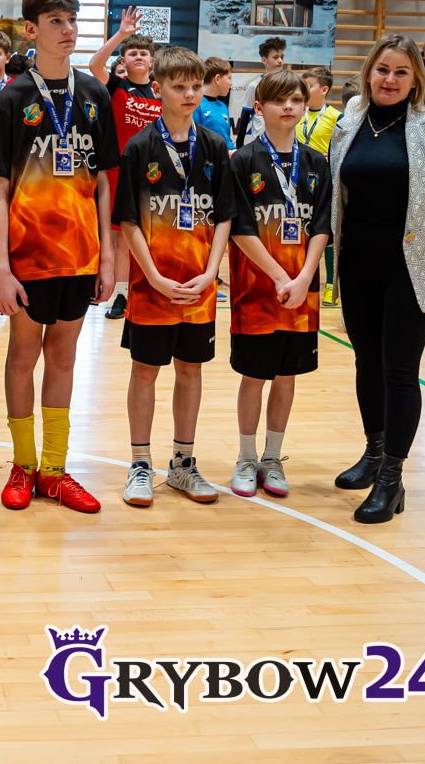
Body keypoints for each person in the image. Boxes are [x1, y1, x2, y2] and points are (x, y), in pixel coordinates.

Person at [328, 34, 425, 523]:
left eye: (401, 72)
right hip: (356, 262)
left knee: (398, 370)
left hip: (409, 268)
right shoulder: (350, 120)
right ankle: (374, 454)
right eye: (382, 69)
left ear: (416, 81)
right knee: (366, 362)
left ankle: (392, 478)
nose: (389, 79)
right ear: (369, 72)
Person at [0, 0, 116, 514]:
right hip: (28, 256)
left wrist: (107, 256)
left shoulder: (95, 94)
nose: (68, 30)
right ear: (30, 30)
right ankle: (23, 464)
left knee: (63, 356)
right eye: (56, 21)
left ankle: (55, 472)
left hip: (80, 255)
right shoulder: (14, 97)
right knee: (23, 354)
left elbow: (103, 183)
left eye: (72, 20)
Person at [113, 45, 234, 508]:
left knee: (191, 369)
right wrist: (154, 278)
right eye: (179, 86)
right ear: (158, 87)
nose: (189, 94)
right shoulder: (140, 147)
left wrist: (211, 273)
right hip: (152, 288)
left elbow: (224, 217)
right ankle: (140, 464)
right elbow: (129, 222)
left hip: (199, 286)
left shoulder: (215, 146)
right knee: (145, 371)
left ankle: (182, 464)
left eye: (195, 86)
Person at [225, 69, 331, 499]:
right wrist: (280, 277)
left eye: (296, 100)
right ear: (259, 107)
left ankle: (272, 458)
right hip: (257, 291)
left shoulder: (317, 163)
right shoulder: (242, 161)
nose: (289, 106)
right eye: (279, 100)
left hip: (301, 292)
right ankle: (246, 458)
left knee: (287, 376)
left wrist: (304, 278)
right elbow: (240, 228)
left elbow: (321, 225)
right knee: (254, 376)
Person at [89, 9, 162, 320]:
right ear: (124, 60)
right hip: (120, 171)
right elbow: (94, 65)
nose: (138, 57)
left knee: (154, 236)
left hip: (156, 174)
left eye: (144, 53)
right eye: (132, 53)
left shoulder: (162, 91)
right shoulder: (117, 87)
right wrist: (121, 34)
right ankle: (121, 294)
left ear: (152, 61)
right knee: (122, 238)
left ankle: (148, 288)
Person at [298, 65, 342, 303]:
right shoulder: (297, 112)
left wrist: (331, 157)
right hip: (297, 182)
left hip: (325, 182)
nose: (303, 90)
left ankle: (331, 284)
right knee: (301, 231)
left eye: (309, 86)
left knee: (327, 234)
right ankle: (302, 279)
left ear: (324, 90)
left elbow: (343, 151)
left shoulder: (337, 117)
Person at [231, 38, 286, 147]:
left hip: (283, 143)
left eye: (282, 57)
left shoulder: (288, 85)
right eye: (275, 57)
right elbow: (245, 117)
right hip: (261, 144)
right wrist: (239, 145)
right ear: (264, 60)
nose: (280, 61)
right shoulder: (254, 86)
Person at [194, 57, 234, 149]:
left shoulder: (223, 106)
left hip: (223, 157)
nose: (231, 83)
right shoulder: (196, 105)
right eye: (229, 78)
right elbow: (194, 140)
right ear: (217, 79)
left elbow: (227, 139)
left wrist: (233, 151)